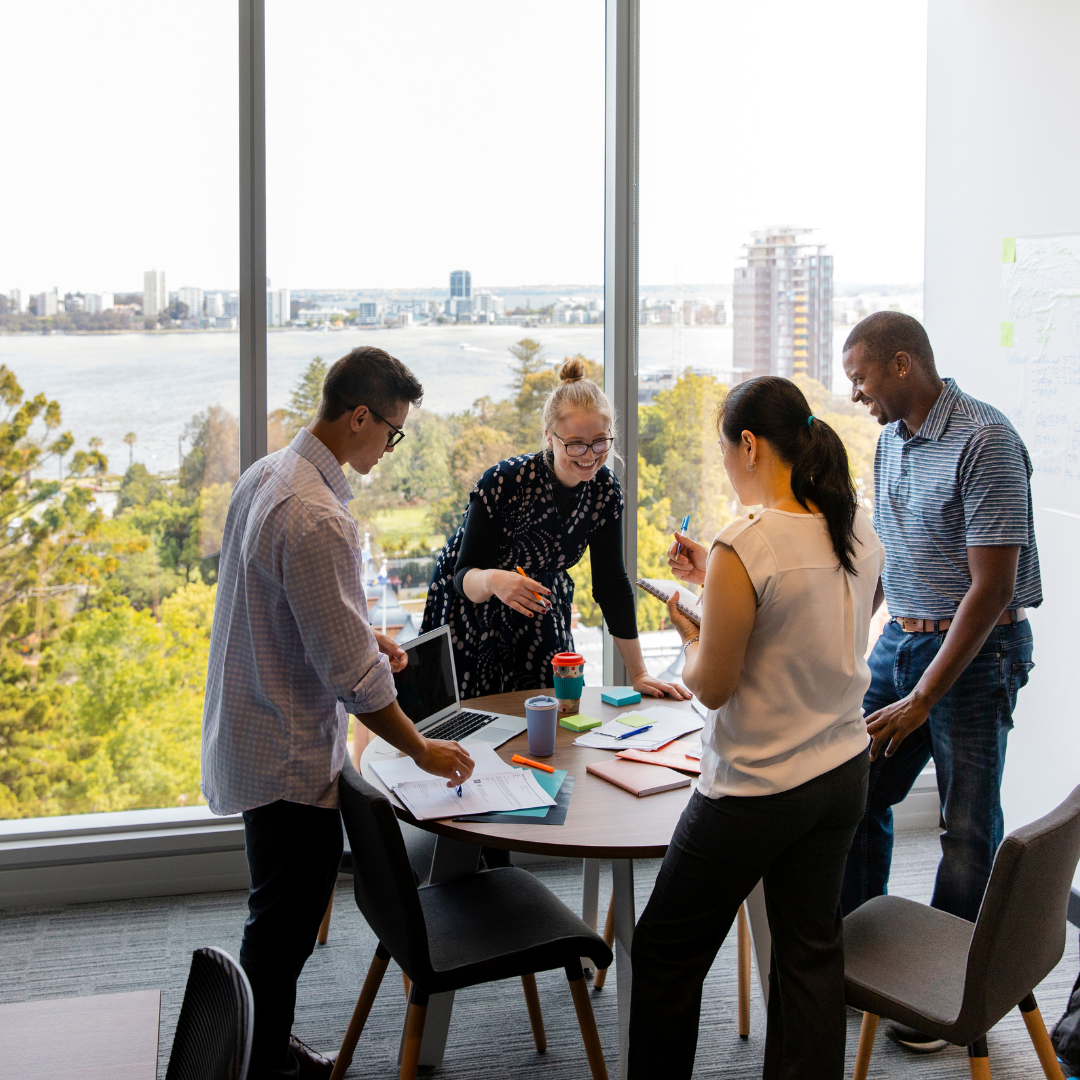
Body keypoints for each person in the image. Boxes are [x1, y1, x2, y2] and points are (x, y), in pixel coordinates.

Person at [202, 346, 475, 1080]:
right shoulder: (317, 516)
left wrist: (359, 630)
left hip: (252, 727)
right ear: (360, 417)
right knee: (281, 932)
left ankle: (268, 1038)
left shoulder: (269, 474)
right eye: (392, 432)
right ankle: (259, 1064)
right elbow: (355, 680)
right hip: (288, 753)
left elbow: (290, 608)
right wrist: (423, 751)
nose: (391, 447)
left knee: (277, 921)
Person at [629, 376, 884, 1080]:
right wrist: (720, 584)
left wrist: (691, 631)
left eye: (723, 449)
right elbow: (817, 627)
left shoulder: (748, 541)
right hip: (840, 773)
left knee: (665, 952)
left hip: (757, 788)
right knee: (808, 955)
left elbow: (710, 686)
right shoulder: (856, 526)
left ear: (748, 444)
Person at [839, 311, 1041, 1053]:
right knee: (855, 791)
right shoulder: (891, 442)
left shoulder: (985, 439)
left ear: (901, 364)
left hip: (977, 654)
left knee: (965, 828)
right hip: (903, 642)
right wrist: (855, 640)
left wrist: (924, 697)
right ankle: (855, 957)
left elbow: (991, 590)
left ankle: (942, 999)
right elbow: (890, 553)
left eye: (860, 376)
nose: (856, 393)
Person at [421, 356, 688, 703]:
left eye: (600, 441)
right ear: (549, 437)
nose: (589, 455)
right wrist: (493, 580)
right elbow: (463, 575)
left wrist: (639, 673)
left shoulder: (605, 491)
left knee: (549, 709)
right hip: (473, 604)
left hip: (540, 601)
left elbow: (611, 585)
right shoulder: (504, 481)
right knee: (476, 719)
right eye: (575, 443)